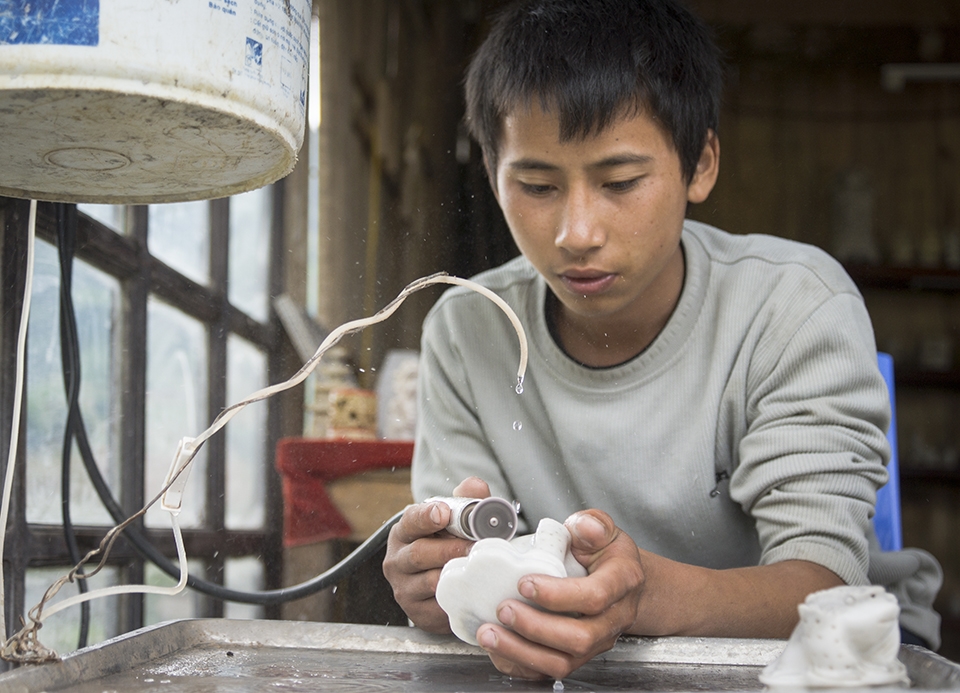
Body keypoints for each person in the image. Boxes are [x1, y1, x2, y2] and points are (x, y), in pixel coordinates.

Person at [382, 0, 943, 680]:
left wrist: (640, 595)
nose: (576, 232)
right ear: (495, 176)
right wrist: (439, 587)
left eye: (620, 181)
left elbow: (821, 587)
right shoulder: (467, 328)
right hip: (584, 663)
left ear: (700, 164)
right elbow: (472, 572)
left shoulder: (792, 305)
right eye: (536, 184)